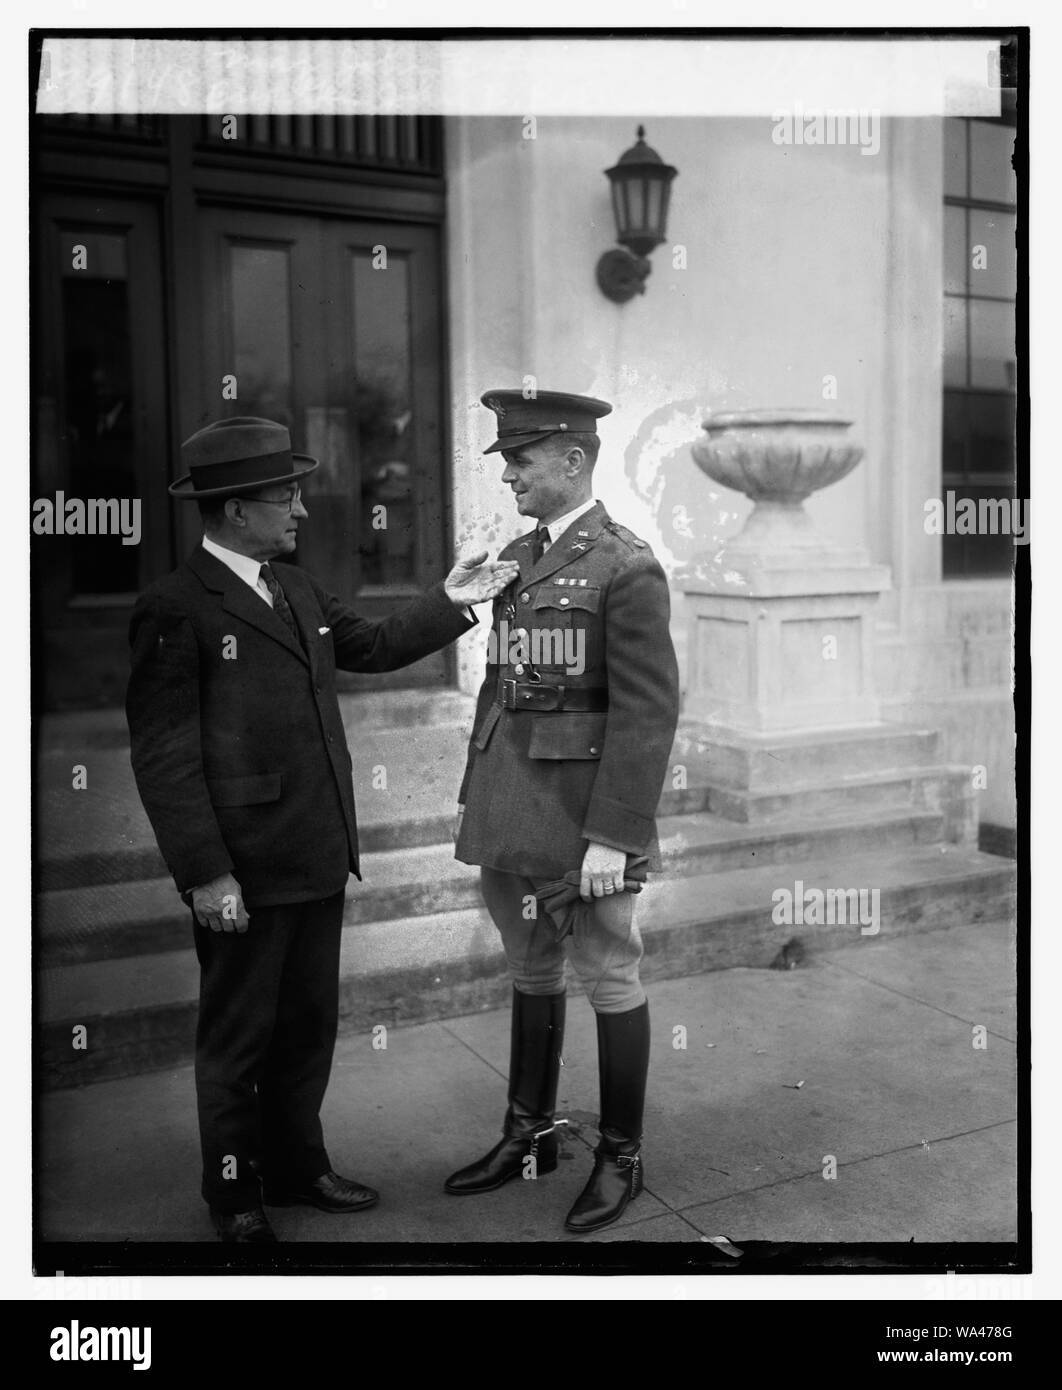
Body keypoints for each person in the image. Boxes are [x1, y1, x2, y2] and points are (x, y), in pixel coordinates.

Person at [126, 415, 517, 1243]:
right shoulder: (174, 607)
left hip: (314, 851)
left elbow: (372, 645)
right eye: (286, 498)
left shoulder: (298, 589)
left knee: (307, 1027)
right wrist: (205, 872)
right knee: (237, 1041)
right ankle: (233, 1196)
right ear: (235, 511)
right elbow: (164, 758)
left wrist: (451, 598)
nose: (302, 510)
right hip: (242, 867)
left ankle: (298, 1166)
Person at [447, 390, 681, 1234]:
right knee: (530, 968)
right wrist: (481, 789)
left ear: (573, 460)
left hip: (584, 819)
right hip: (511, 802)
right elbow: (501, 684)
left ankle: (621, 1154)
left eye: (521, 458)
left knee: (610, 973)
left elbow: (647, 713)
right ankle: (528, 1133)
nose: (507, 472)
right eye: (506, 458)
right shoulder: (517, 554)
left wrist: (614, 837)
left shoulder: (625, 564)